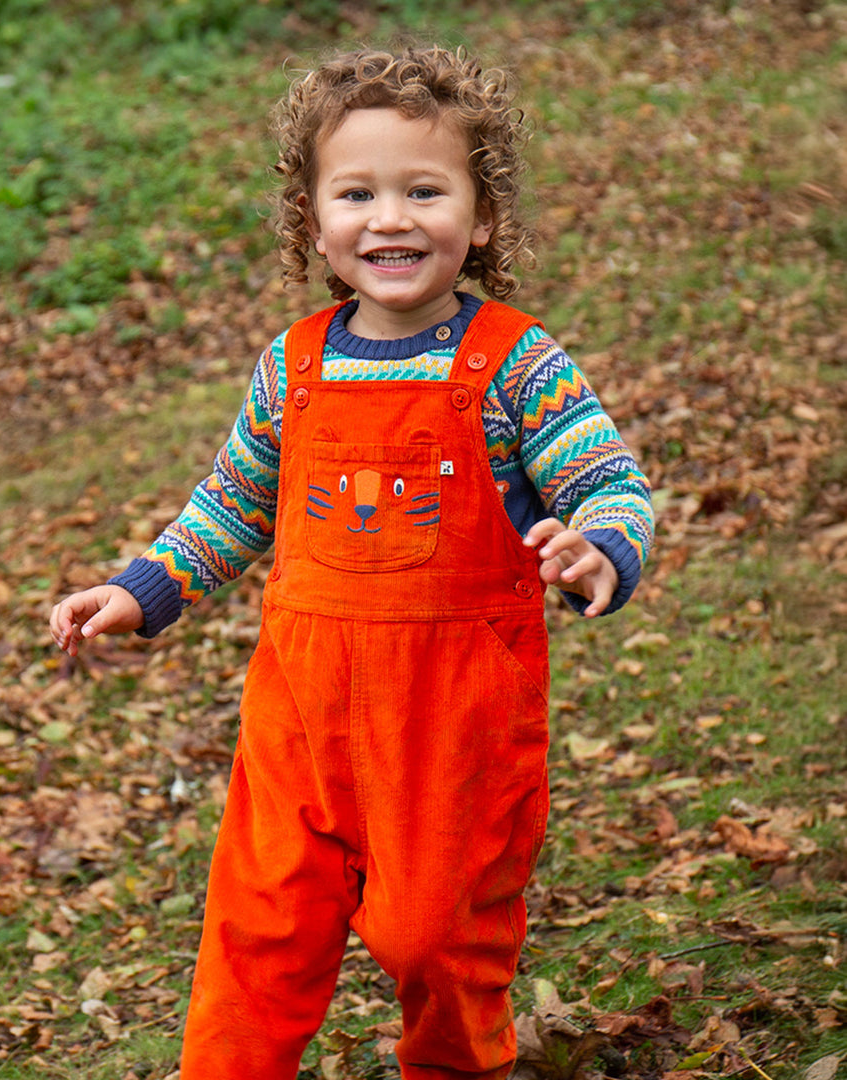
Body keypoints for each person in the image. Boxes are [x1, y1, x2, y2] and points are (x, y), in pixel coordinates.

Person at [50, 44, 653, 1080]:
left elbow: (609, 480)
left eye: (425, 190)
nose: (391, 219)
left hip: (454, 727)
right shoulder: (292, 364)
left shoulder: (516, 361)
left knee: (436, 938)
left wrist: (599, 544)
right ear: (313, 221)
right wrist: (139, 592)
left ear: (483, 216)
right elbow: (235, 502)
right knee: (258, 931)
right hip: (301, 715)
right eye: (357, 193)